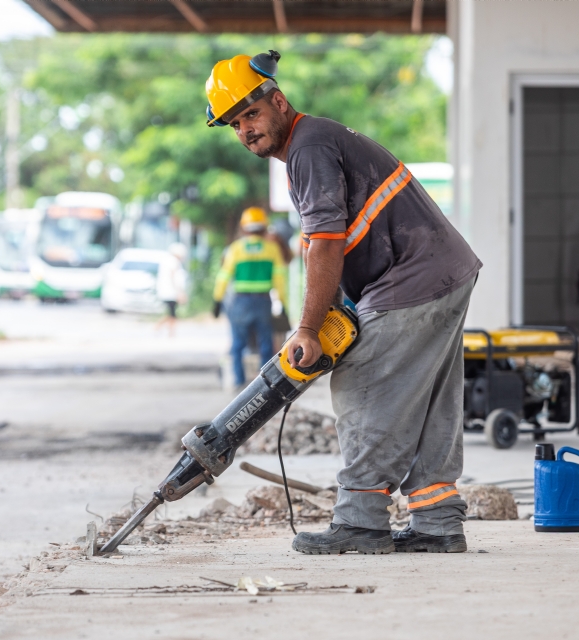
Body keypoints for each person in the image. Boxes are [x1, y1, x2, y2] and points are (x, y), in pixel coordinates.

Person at [205, 51, 482, 554]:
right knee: (431, 402)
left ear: (279, 101)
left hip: (413, 277)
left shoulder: (307, 148)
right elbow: (320, 243)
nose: (244, 128)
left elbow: (327, 241)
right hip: (443, 271)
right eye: (233, 122)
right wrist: (332, 310)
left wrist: (308, 329)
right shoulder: (312, 145)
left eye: (250, 113)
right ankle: (438, 521)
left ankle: (361, 521)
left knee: (362, 384)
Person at [213, 207, 289, 388]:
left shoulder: (236, 249)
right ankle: (264, 385)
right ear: (264, 228)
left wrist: (217, 299)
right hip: (263, 302)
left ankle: (239, 382)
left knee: (238, 343)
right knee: (265, 343)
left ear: (244, 228)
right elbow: (280, 279)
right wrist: (283, 304)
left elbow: (224, 276)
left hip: (240, 302)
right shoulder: (272, 249)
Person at [154, 243, 188, 337]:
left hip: (167, 291)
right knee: (172, 313)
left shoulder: (167, 260)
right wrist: (179, 292)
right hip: (171, 292)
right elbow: (174, 277)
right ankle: (170, 332)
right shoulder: (173, 261)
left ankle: (168, 331)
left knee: (171, 313)